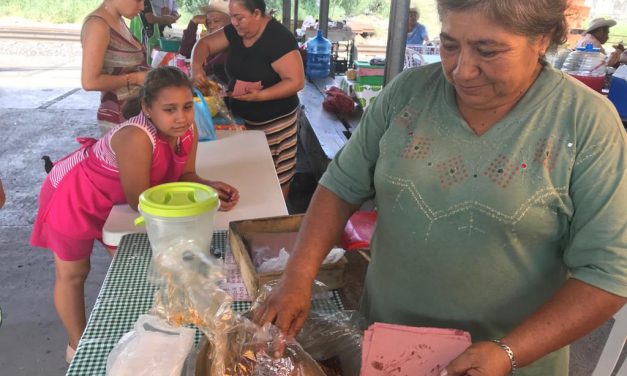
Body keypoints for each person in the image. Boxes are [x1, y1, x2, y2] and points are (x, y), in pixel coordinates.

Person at [254, 0, 627, 375]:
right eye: (450, 45)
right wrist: (298, 275)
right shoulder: (406, 95)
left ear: (542, 38)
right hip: (387, 347)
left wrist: (508, 352)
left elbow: (606, 273)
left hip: (513, 361)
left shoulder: (586, 124)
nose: (463, 71)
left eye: (487, 50)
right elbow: (339, 187)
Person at [30, 66, 240, 363]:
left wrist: (209, 188)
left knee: (139, 267)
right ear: (147, 109)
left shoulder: (186, 131)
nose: (181, 117)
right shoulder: (136, 137)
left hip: (114, 201)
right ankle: (78, 347)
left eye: (186, 107)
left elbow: (187, 173)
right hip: (73, 194)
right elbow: (139, 201)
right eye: (169, 109)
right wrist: (196, 210)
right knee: (73, 273)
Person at [191, 0, 305, 198]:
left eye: (239, 17)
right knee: (247, 175)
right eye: (232, 16)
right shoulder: (236, 31)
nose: (233, 22)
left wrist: (261, 96)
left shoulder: (278, 39)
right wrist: (196, 66)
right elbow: (205, 44)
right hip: (242, 119)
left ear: (258, 13)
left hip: (276, 124)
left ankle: (274, 219)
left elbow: (296, 81)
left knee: (275, 180)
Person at [81, 0, 151, 135]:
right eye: (138, 0)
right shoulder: (97, 25)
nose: (142, 7)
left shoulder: (118, 20)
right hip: (118, 118)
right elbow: (89, 82)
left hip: (132, 115)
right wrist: (135, 78)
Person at [179, 0, 231, 84]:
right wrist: (193, 22)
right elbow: (185, 53)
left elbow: (206, 71)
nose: (211, 25)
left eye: (216, 21)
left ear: (232, 22)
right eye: (208, 22)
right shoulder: (209, 43)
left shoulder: (232, 46)